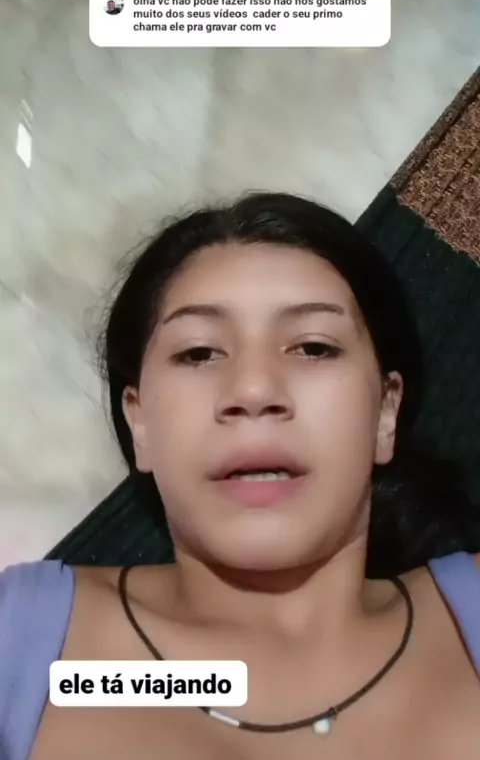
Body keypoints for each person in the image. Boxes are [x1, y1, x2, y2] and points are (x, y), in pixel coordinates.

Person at [1, 190, 480, 760]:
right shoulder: (20, 640)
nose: (253, 390)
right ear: (139, 423)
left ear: (385, 413)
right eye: (200, 353)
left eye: (313, 347)